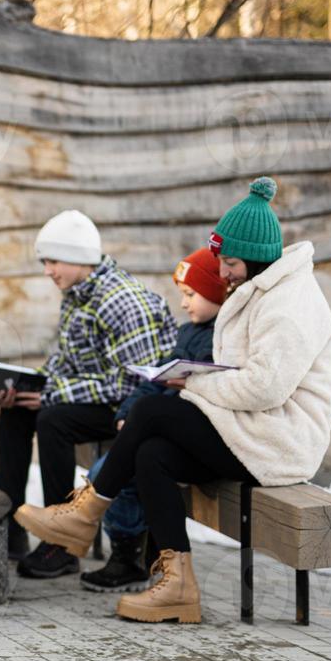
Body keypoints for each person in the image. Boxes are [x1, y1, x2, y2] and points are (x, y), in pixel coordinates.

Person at [14, 178, 331, 624]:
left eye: (229, 262)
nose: (222, 273)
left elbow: (264, 388)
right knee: (152, 455)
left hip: (278, 444)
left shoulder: (290, 304)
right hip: (248, 432)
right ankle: (177, 586)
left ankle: (84, 513)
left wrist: (190, 384)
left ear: (257, 258)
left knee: (150, 410)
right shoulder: (258, 290)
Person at [0, 210, 177, 580]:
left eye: (52, 260)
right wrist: (29, 385)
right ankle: (9, 529)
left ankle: (62, 544)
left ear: (78, 258)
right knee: (17, 411)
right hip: (99, 397)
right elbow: (67, 361)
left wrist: (53, 394)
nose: (47, 270)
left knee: (53, 419)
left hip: (133, 409)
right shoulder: (77, 295)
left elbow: (133, 384)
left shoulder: (122, 302)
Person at [79, 246, 228, 594]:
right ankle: (124, 550)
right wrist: (127, 412)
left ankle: (127, 553)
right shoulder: (186, 333)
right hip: (160, 428)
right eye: (183, 295)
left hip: (189, 436)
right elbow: (156, 379)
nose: (184, 303)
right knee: (112, 467)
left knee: (121, 469)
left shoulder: (221, 338)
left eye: (191, 294)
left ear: (215, 292)